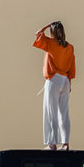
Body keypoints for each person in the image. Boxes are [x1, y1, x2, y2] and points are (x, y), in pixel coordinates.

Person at [33, 21, 76, 150]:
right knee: (63, 112)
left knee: (51, 112)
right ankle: (65, 143)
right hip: (65, 80)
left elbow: (38, 34)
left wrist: (47, 26)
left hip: (54, 79)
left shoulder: (51, 44)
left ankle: (52, 144)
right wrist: (69, 83)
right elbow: (72, 68)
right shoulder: (70, 47)